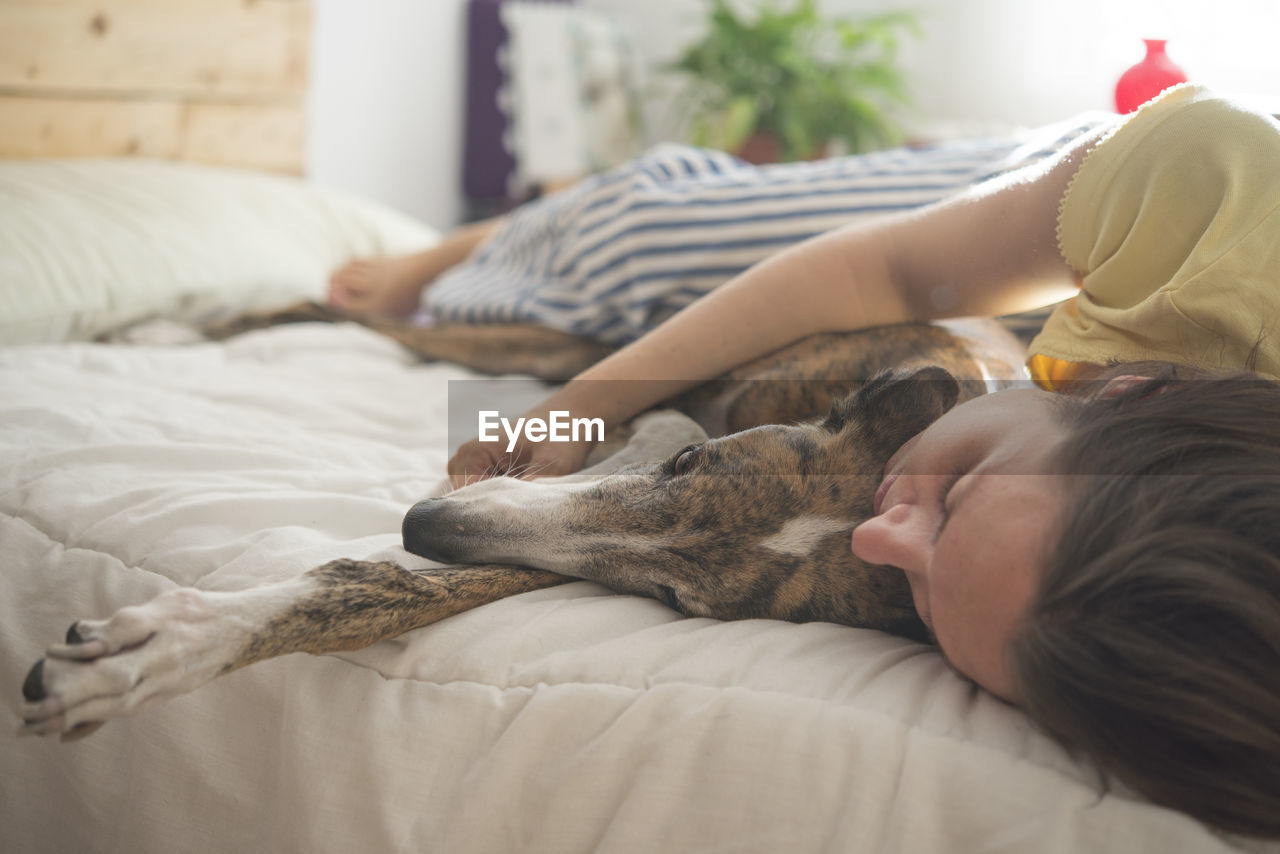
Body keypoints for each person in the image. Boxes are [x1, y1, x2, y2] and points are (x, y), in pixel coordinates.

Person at [330, 84, 1280, 837]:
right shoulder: (1218, 187)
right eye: (956, 498)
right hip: (1080, 187)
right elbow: (886, 270)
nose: (874, 534)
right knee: (636, 248)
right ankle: (449, 250)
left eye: (922, 599)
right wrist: (584, 405)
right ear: (1133, 390)